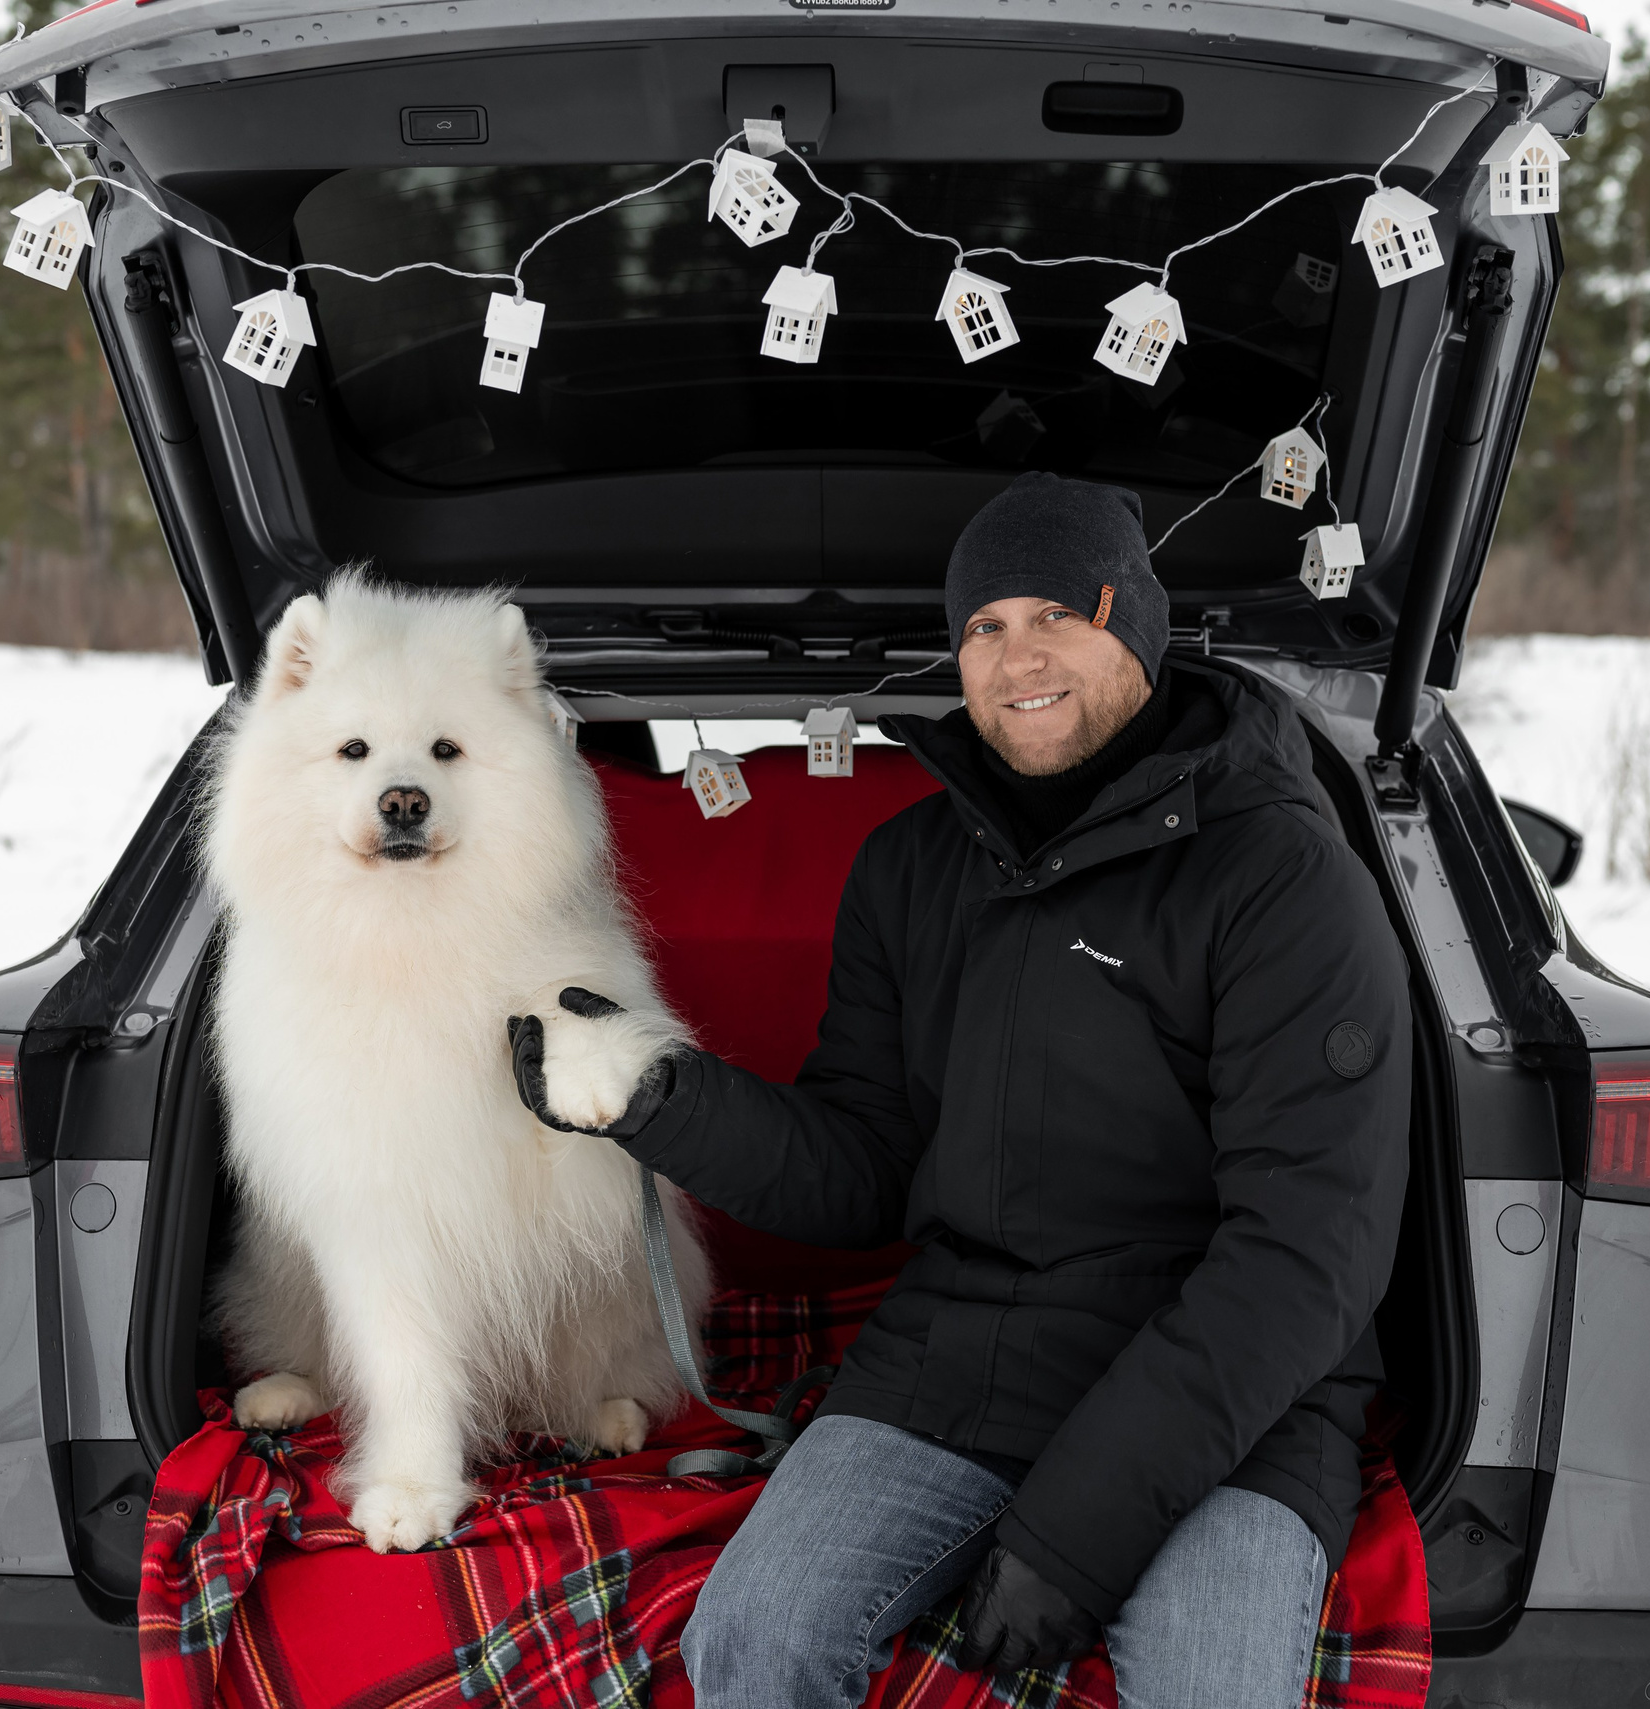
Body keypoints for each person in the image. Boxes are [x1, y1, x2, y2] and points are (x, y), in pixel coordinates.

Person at [508, 472, 1412, 1709]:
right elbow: (864, 1165)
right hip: (961, 1357)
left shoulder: (1278, 874)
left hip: (1233, 1399)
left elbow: (1303, 1259)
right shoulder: (912, 864)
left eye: (1058, 614)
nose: (1017, 655)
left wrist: (1068, 1538)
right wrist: (656, 1096)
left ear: (1138, 624)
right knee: (754, 1639)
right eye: (984, 625)